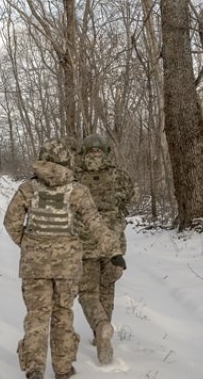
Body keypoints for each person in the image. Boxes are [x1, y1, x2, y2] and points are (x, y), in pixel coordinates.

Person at [4, 138, 119, 379]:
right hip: (67, 267)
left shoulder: (28, 189)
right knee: (63, 314)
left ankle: (35, 370)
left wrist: (28, 244)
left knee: (36, 315)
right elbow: (95, 225)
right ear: (67, 160)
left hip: (34, 267)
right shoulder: (77, 190)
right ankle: (63, 370)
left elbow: (11, 222)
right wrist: (114, 252)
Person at [72, 133, 135, 365]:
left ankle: (100, 328)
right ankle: (102, 335)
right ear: (107, 151)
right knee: (107, 288)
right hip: (113, 244)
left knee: (88, 292)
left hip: (84, 243)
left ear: (83, 152)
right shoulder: (119, 176)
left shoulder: (75, 176)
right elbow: (131, 198)